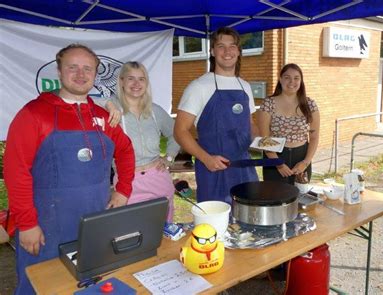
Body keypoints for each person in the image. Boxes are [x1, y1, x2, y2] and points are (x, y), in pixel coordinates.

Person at [3, 44, 135, 294]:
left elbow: (126, 151)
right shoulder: (34, 114)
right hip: (46, 225)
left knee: (91, 283)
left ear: (95, 74)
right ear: (59, 71)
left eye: (87, 68)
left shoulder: (104, 117)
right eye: (72, 67)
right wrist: (27, 223)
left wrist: (123, 190)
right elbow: (16, 171)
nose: (80, 74)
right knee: (40, 284)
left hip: (94, 221)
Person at [174, 27, 258, 204]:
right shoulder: (199, 87)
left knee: (248, 221)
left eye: (232, 46)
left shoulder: (245, 86)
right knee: (216, 225)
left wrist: (263, 141)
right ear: (212, 51)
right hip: (214, 169)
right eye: (221, 46)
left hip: (244, 168)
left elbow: (250, 124)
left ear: (238, 51)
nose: (227, 51)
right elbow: (180, 131)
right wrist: (206, 159)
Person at [104, 61, 180, 222]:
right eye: (131, 78)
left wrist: (169, 157)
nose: (136, 84)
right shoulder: (111, 110)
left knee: (164, 232)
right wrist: (109, 104)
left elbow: (177, 134)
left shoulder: (155, 111)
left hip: (158, 178)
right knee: (130, 233)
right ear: (121, 81)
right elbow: (84, 102)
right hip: (128, 183)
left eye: (141, 79)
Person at [257, 63, 320, 185]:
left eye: (296, 78)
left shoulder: (310, 104)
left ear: (301, 81)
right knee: (275, 198)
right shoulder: (268, 103)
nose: (292, 82)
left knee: (299, 198)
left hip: (302, 157)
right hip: (274, 158)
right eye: (287, 77)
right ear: (280, 79)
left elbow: (314, 137)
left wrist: (305, 162)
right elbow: (264, 139)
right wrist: (278, 164)